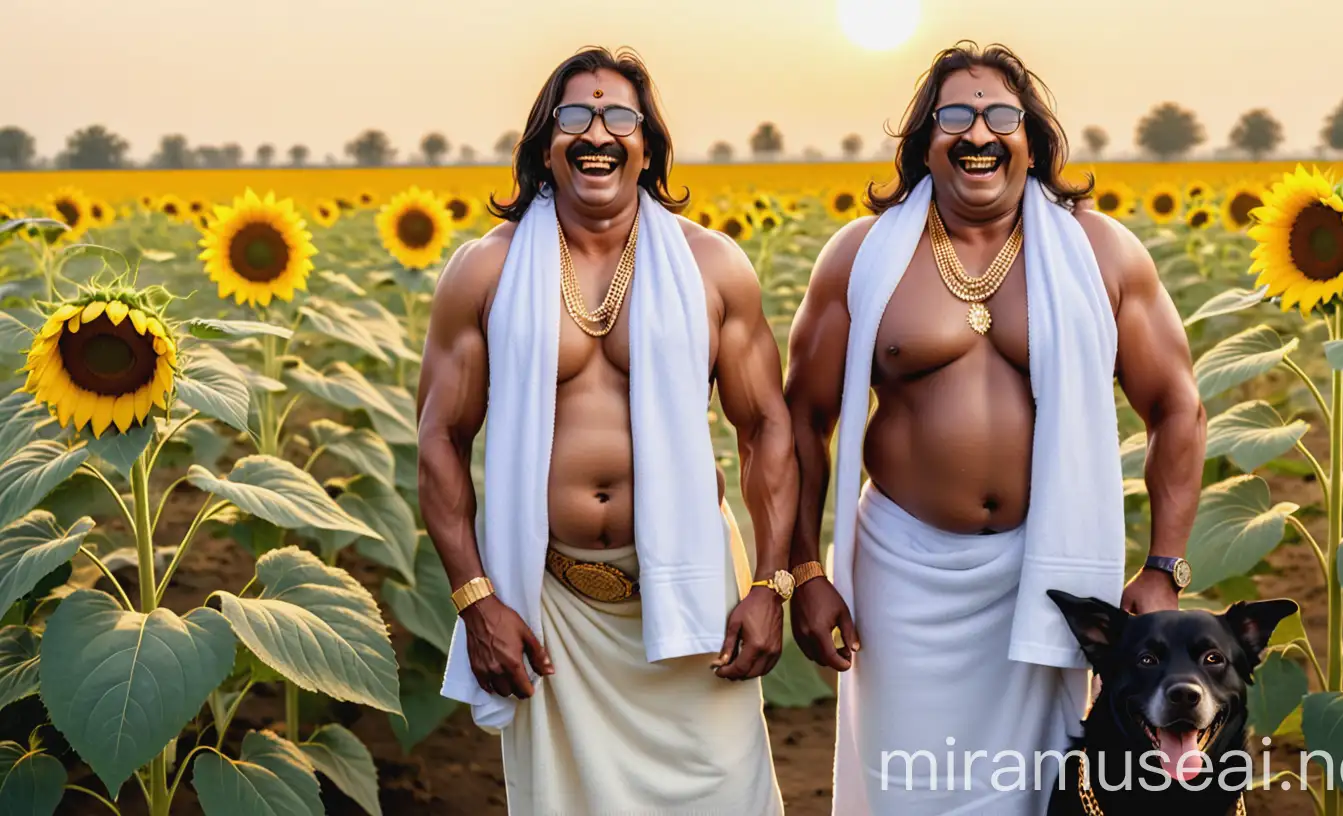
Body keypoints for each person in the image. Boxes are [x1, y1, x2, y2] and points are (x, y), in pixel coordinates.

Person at [784, 41, 1207, 815]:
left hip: (1047, 575)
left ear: (1032, 137)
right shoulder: (862, 256)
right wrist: (807, 572)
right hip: (901, 574)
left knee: (1040, 794)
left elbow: (1177, 406)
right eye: (955, 115)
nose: (978, 132)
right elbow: (802, 420)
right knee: (906, 786)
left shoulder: (1101, 254)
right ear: (924, 141)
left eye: (1000, 114)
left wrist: (1164, 565)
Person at [417, 45, 795, 815]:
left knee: (725, 793)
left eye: (618, 115)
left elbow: (766, 431)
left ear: (647, 144)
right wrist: (476, 599)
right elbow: (440, 440)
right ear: (543, 146)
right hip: (551, 610)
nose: (597, 132)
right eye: (575, 117)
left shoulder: (713, 267)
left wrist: (770, 586)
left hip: (691, 604)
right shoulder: (484, 272)